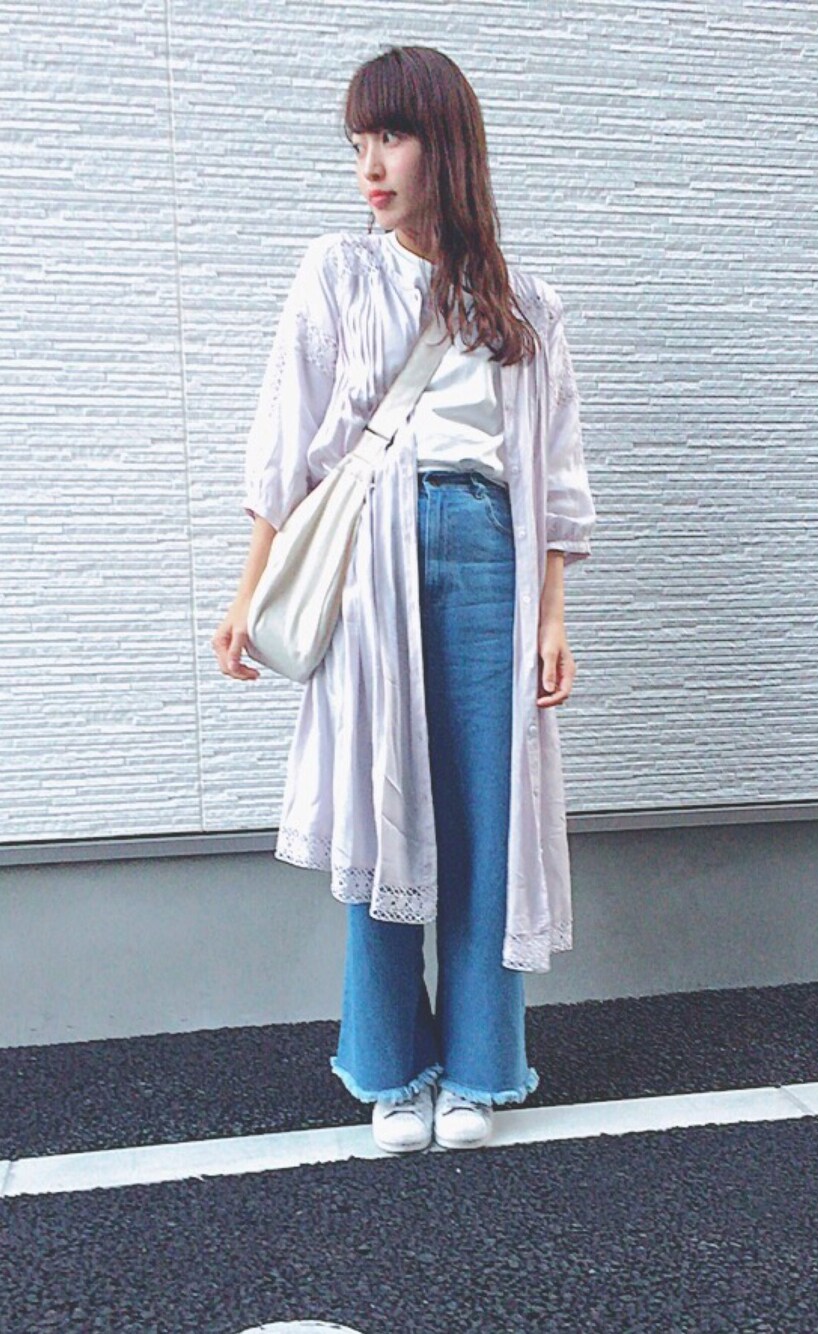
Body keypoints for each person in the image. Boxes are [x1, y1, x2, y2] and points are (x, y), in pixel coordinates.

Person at [211, 45, 596, 1155]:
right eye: (358, 144)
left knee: (485, 812)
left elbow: (554, 473)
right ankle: (391, 1071)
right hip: (368, 558)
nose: (369, 167)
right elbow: (286, 438)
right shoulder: (337, 273)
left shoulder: (524, 302)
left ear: (446, 144)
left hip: (488, 554)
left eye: (390, 138)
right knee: (380, 809)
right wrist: (248, 593)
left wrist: (553, 615)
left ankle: (477, 1068)